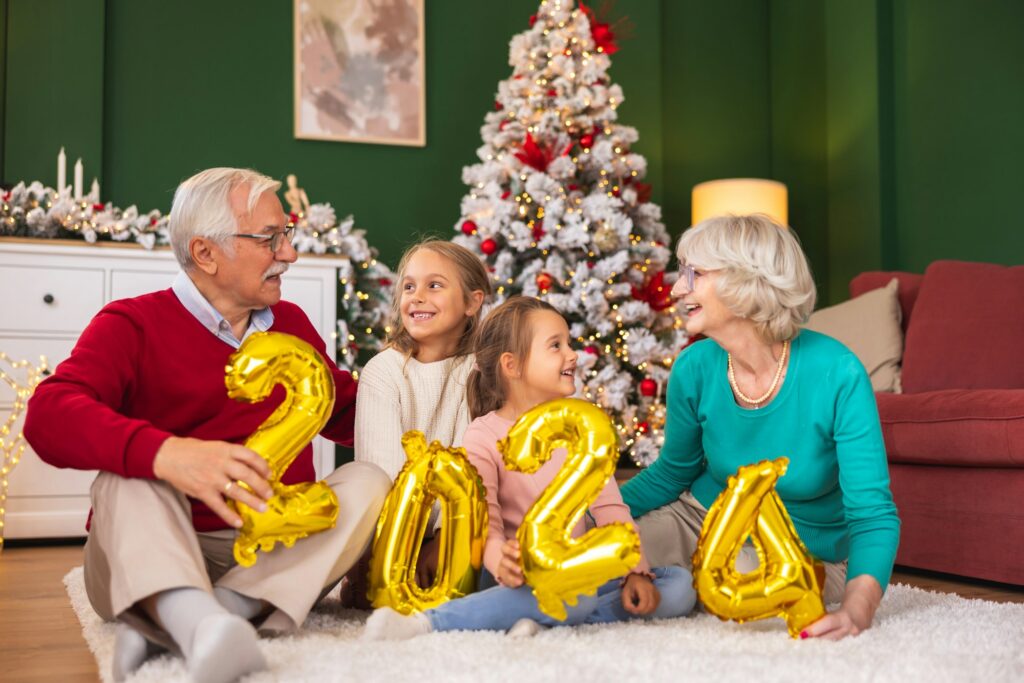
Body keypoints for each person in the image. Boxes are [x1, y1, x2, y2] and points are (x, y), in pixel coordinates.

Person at [24, 168, 391, 682]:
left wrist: (432, 374)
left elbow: (352, 414)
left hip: (269, 547)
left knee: (369, 481)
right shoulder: (130, 324)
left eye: (286, 236)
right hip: (152, 547)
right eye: (270, 239)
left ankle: (194, 619)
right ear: (205, 253)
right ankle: (191, 616)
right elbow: (48, 415)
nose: (289, 254)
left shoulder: (293, 325)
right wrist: (167, 454)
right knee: (124, 479)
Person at [620, 213, 901, 641]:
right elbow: (671, 472)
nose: (677, 289)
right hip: (702, 519)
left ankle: (675, 589)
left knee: (749, 587)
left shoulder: (838, 373)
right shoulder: (694, 367)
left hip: (801, 547)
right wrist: (594, 514)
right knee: (611, 553)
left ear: (744, 280)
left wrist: (858, 610)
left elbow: (873, 514)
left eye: (693, 273)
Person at [362, 296, 695, 640]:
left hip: (572, 568)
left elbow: (610, 508)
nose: (573, 354)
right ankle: (428, 622)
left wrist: (633, 572)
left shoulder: (580, 425)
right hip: (511, 574)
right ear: (513, 365)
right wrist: (498, 561)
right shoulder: (483, 434)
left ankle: (543, 619)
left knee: (679, 585)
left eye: (569, 343)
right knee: (573, 597)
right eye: (556, 346)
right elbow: (485, 525)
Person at [349, 239, 490, 596]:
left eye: (435, 285)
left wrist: (444, 540)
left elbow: (472, 467)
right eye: (409, 286)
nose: (417, 296)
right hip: (394, 523)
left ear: (473, 301)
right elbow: (381, 472)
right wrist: (400, 548)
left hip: (457, 522)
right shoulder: (384, 371)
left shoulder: (480, 372)